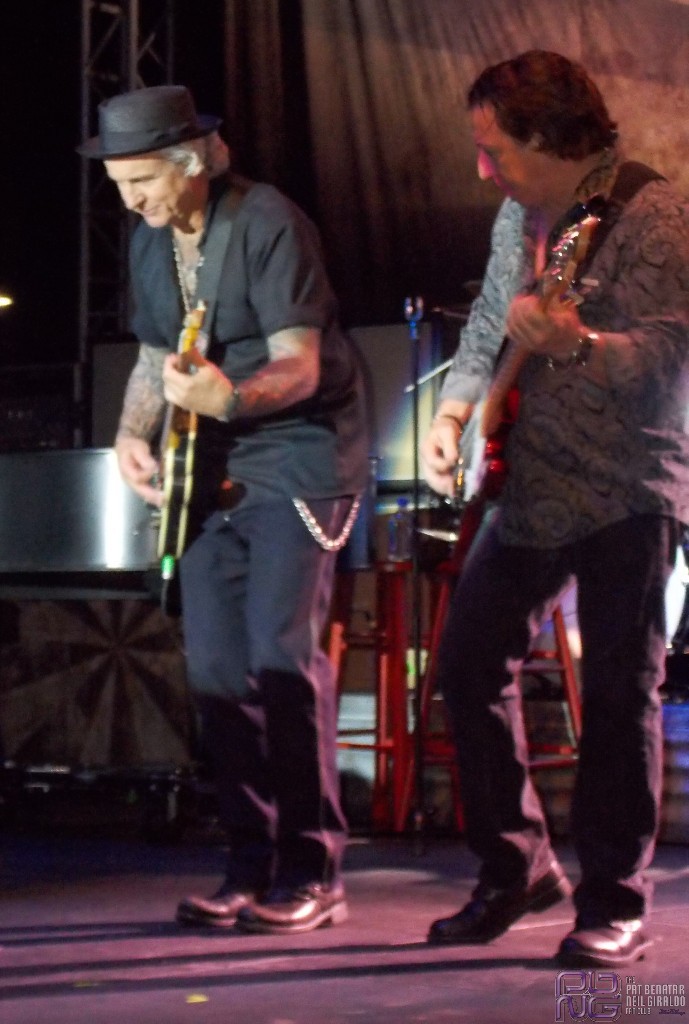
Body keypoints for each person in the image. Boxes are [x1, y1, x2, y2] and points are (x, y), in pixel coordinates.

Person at [78, 85, 368, 934]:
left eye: (141, 181)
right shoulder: (149, 239)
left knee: (281, 660)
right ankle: (249, 864)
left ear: (194, 161)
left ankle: (312, 869)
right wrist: (130, 433)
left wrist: (231, 397)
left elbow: (300, 363)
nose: (130, 202)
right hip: (208, 466)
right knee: (213, 673)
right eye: (120, 185)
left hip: (295, 456)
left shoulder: (269, 221)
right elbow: (154, 353)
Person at [420, 50, 689, 967]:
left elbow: (668, 361)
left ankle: (613, 902)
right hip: (533, 483)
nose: (482, 169)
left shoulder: (656, 216)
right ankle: (517, 868)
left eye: (494, 149)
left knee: (618, 695)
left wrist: (578, 345)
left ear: (545, 138)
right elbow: (489, 324)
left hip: (628, 484)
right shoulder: (520, 219)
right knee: (466, 666)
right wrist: (454, 411)